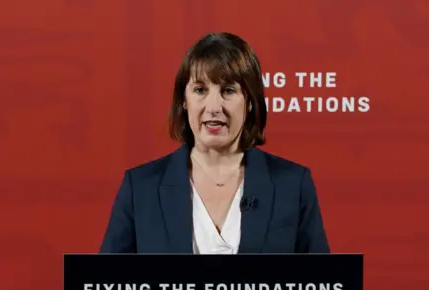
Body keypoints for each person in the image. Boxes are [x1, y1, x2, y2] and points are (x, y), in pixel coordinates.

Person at [100, 32, 330, 254]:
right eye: (200, 90)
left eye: (228, 91)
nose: (213, 107)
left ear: (250, 101)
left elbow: (324, 289)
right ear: (184, 100)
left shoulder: (292, 185)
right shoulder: (140, 188)